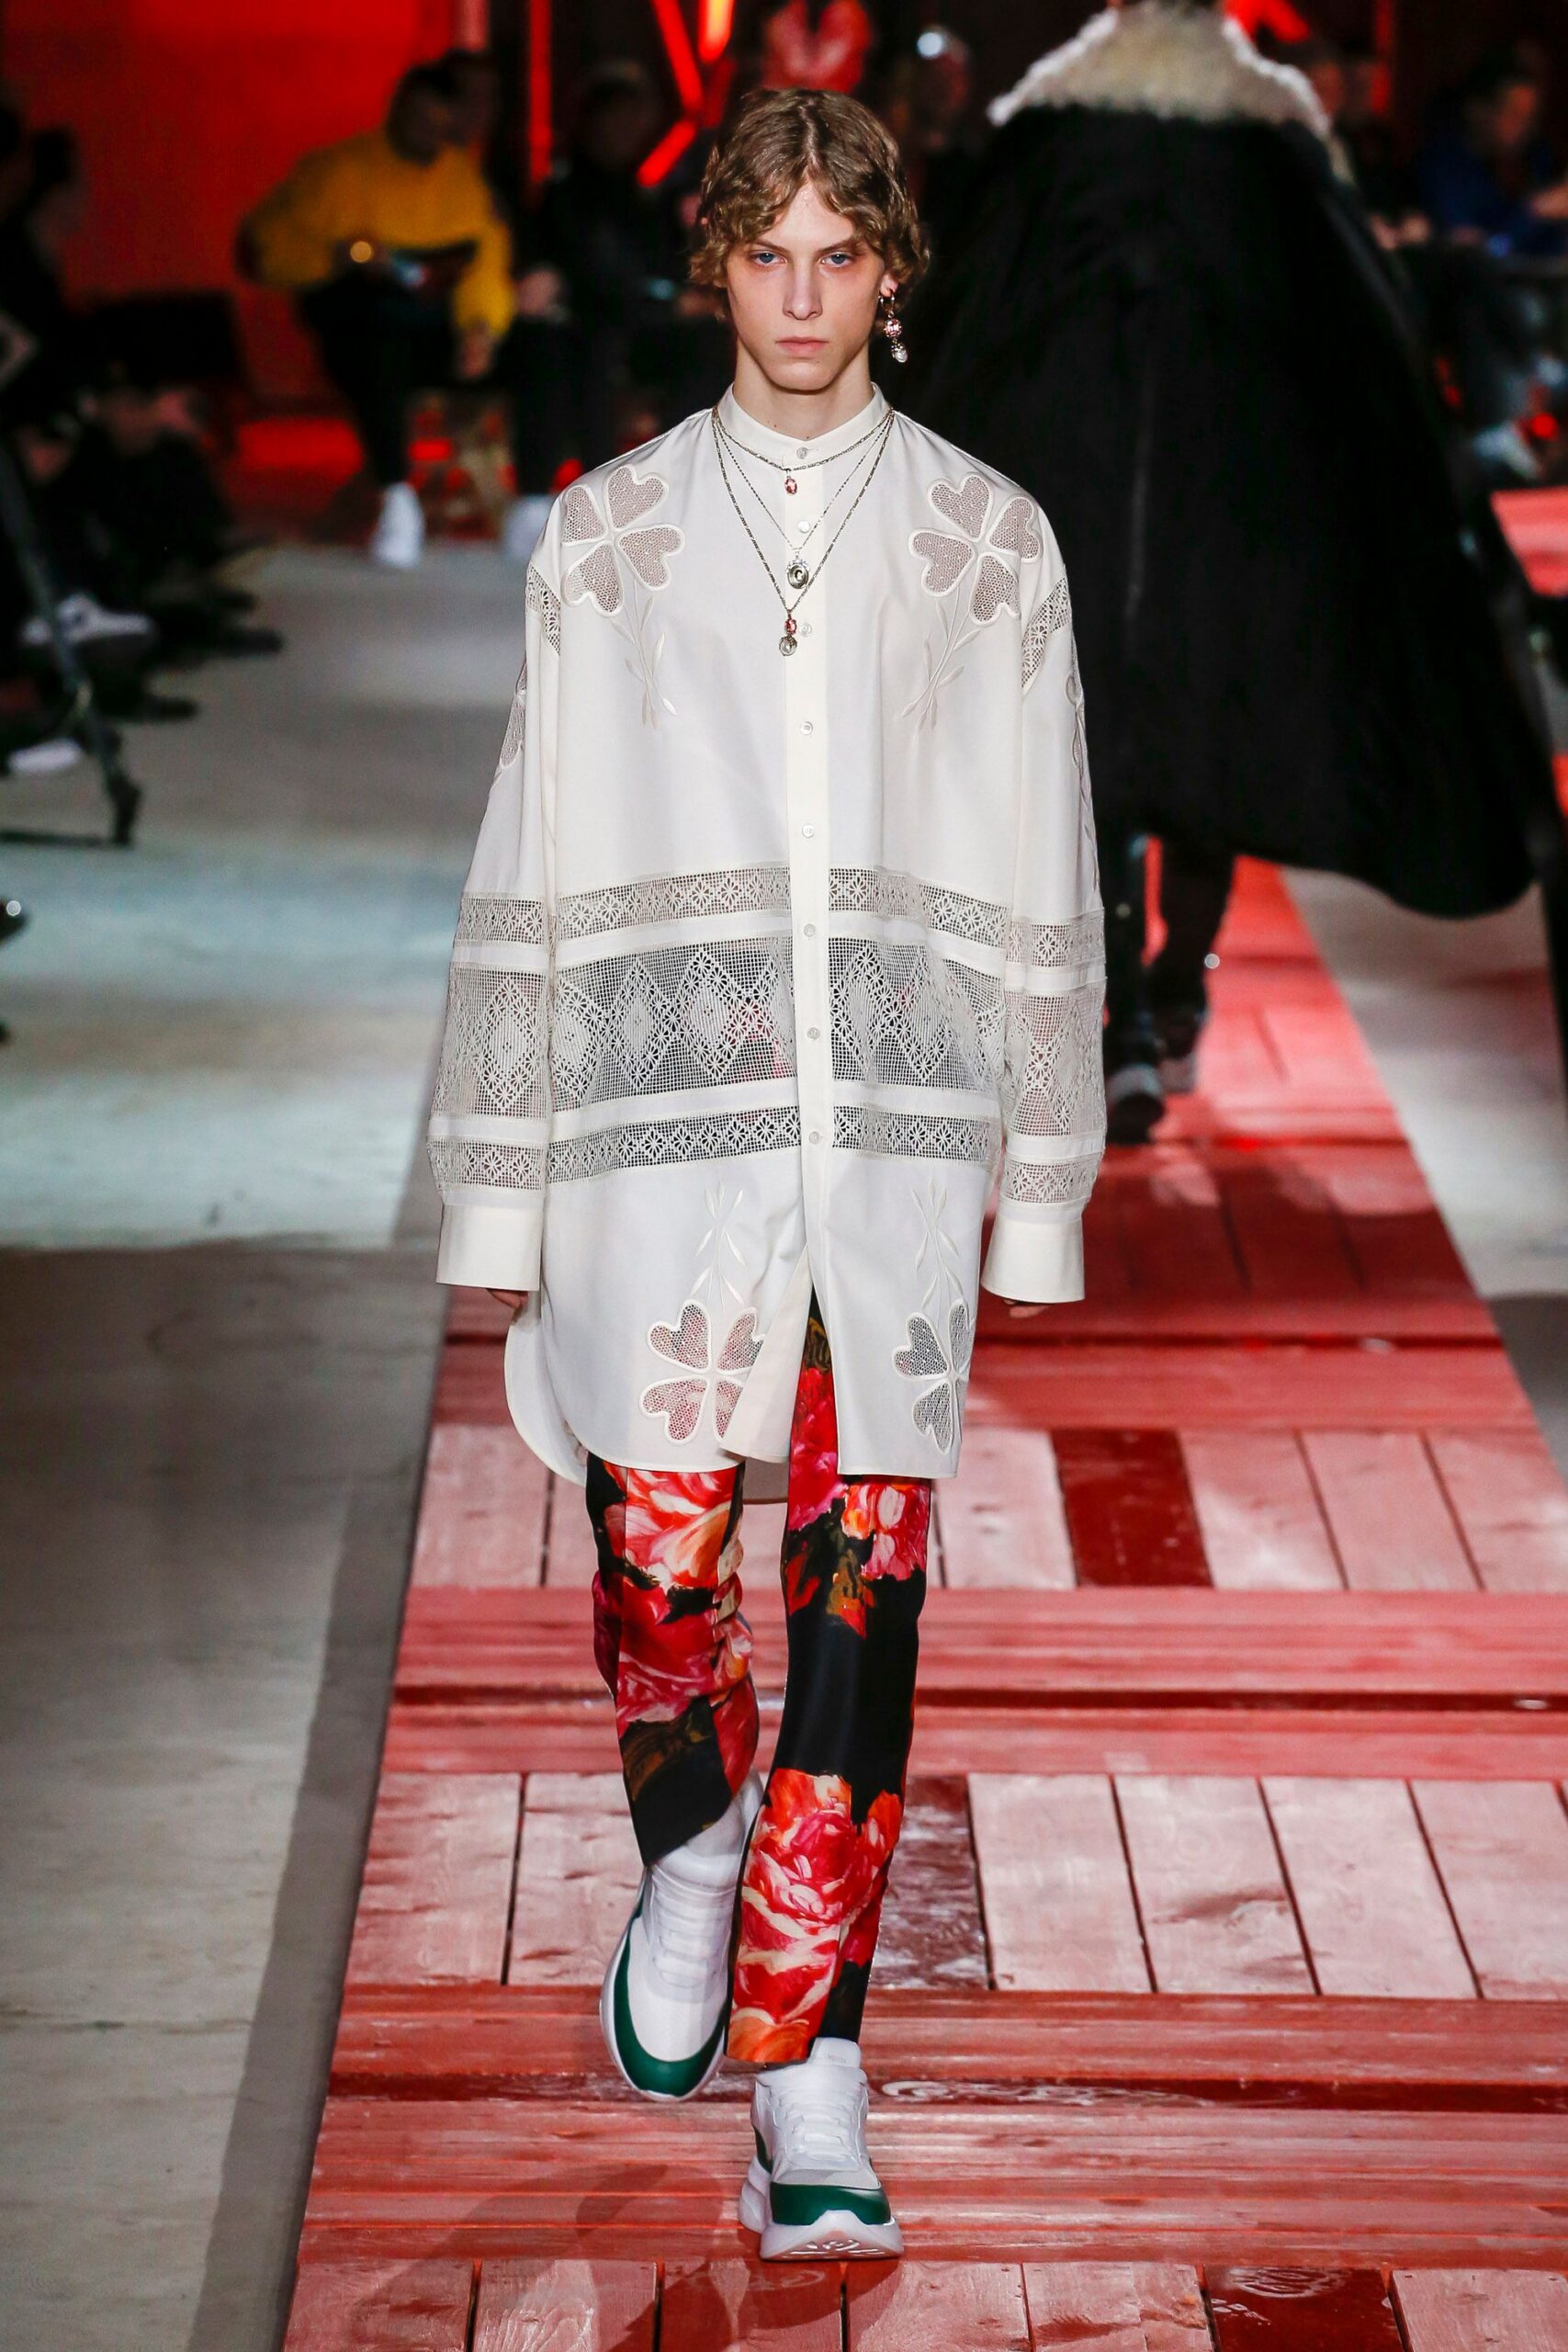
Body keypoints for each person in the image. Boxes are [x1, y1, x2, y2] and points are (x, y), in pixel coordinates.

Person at [424, 87, 1104, 2259]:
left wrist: (1036, 1185)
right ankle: (693, 1842)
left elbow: (1044, 862)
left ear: (890, 272)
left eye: (838, 254)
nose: (800, 297)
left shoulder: (986, 541)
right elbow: (529, 861)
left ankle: (810, 2060)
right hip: (660, 1149)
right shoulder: (609, 535)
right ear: (714, 265)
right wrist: (500, 1197)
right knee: (653, 1565)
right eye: (764, 252)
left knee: (855, 1601)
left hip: (888, 1157)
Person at [908, 0, 1551, 1140]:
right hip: (1237, 504)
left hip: (1069, 491)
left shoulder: (1046, 140)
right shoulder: (1271, 147)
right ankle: (1173, 992)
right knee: (1211, 737)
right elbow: (1364, 343)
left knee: (1093, 751)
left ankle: (1124, 1022)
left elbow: (963, 322)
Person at [241, 62, 538, 568]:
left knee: (541, 339)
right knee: (377, 327)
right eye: (417, 116)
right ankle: (396, 500)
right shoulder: (337, 172)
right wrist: (340, 256)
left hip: (437, 334)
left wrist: (481, 330)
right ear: (396, 109)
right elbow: (263, 250)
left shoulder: (463, 182)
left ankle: (534, 502)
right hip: (362, 336)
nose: (427, 130)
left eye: (439, 120)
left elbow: (484, 269)